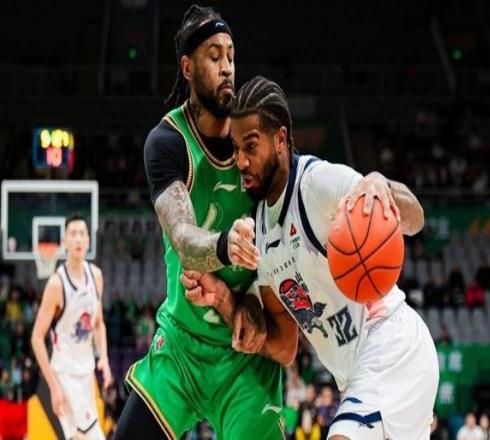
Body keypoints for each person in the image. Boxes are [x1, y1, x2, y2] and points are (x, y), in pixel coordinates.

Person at [182, 76, 439, 439]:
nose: (241, 160)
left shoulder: (316, 184)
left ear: (280, 139)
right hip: (357, 375)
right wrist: (225, 300)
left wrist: (380, 184)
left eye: (250, 146)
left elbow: (415, 219)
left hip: (391, 346)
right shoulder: (261, 232)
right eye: (236, 148)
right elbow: (285, 346)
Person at [114, 7, 294, 440]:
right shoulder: (168, 142)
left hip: (244, 354)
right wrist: (225, 245)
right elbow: (181, 235)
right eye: (214, 56)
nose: (227, 66)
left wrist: (253, 298)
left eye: (231, 55)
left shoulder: (255, 139)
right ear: (187, 67)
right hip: (182, 347)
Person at [31, 214, 111, 440]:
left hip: (86, 372)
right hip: (65, 374)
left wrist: (104, 358)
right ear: (64, 241)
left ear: (88, 240)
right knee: (94, 436)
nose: (78, 239)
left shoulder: (96, 276)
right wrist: (53, 386)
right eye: (73, 234)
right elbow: (36, 338)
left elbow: (98, 324)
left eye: (82, 234)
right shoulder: (56, 284)